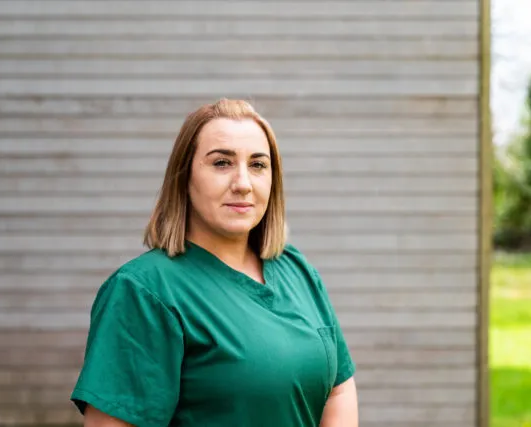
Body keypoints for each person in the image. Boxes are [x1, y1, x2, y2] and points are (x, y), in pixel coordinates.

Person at [70, 98, 358, 427]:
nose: (243, 183)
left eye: (258, 165)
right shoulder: (143, 291)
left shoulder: (295, 269)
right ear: (184, 176)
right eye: (222, 163)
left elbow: (338, 389)